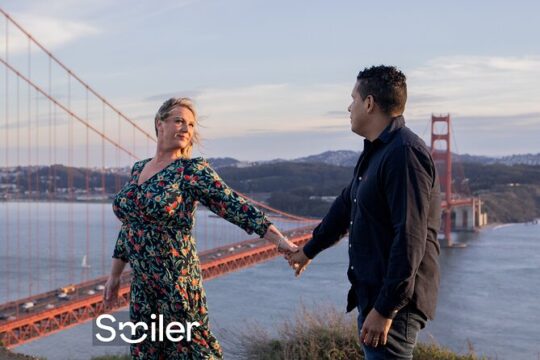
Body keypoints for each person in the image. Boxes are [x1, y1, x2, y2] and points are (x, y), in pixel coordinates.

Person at [103, 97, 298, 359]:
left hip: (176, 281)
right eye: (179, 121)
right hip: (143, 285)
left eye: (191, 124)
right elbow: (130, 227)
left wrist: (280, 241)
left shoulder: (191, 171)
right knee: (146, 353)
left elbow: (236, 207)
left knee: (193, 352)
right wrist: (115, 276)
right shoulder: (139, 169)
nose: (185, 128)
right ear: (160, 124)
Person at [287, 65, 441, 360]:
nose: (349, 106)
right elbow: (347, 205)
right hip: (376, 296)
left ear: (369, 103)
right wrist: (309, 250)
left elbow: (410, 237)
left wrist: (385, 309)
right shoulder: (377, 151)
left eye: (353, 99)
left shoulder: (404, 154)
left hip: (394, 305)